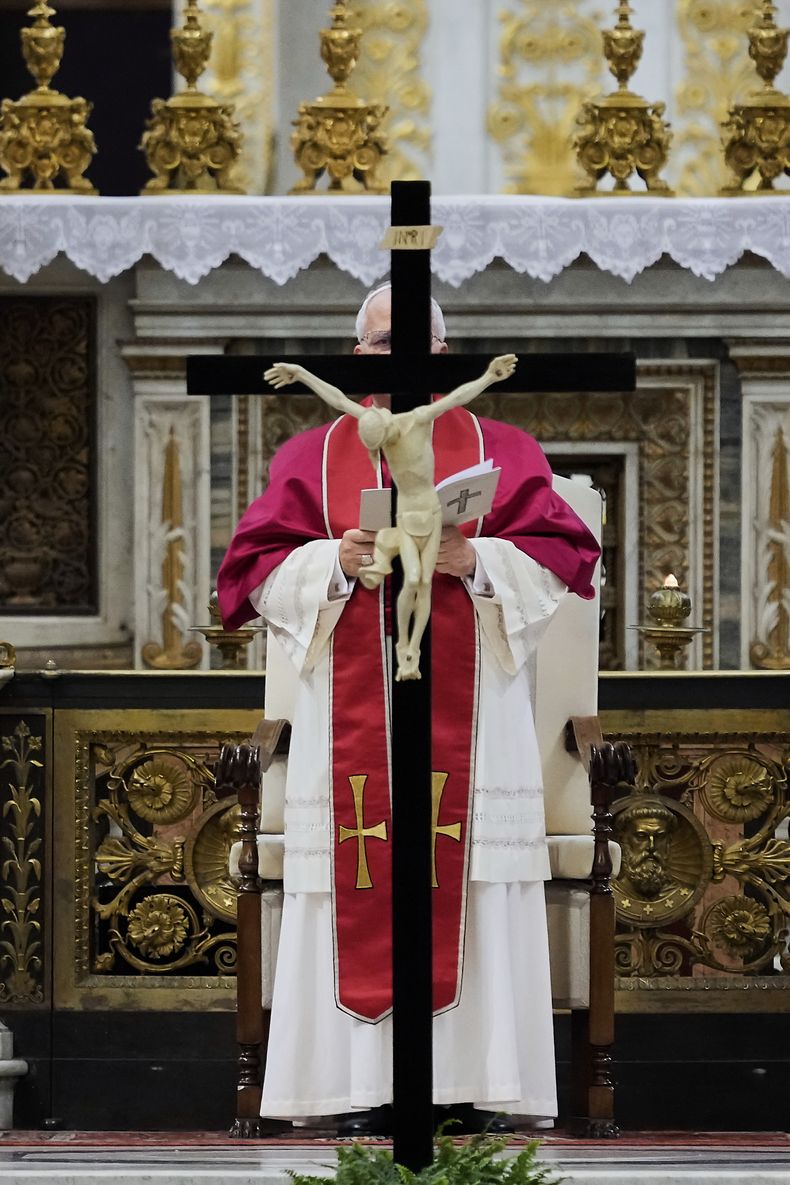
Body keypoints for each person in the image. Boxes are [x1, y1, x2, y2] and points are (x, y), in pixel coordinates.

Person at [217, 283, 601, 1136]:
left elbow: (568, 556)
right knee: (363, 869)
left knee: (467, 876)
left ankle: (474, 1083)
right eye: (385, 343)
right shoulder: (311, 457)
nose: (401, 359)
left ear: (447, 350)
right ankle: (360, 1088)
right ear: (357, 357)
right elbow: (246, 576)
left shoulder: (498, 445)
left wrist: (476, 556)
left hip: (475, 715)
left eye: (417, 341)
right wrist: (333, 560)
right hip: (347, 719)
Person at [263, 353, 517, 680]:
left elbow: (458, 396)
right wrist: (334, 561)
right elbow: (338, 399)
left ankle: (410, 651)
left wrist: (490, 377)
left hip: (432, 517)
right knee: (413, 580)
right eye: (382, 341)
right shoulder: (357, 431)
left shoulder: (421, 419)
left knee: (419, 584)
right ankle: (405, 650)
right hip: (408, 520)